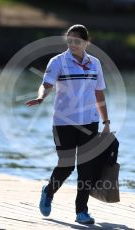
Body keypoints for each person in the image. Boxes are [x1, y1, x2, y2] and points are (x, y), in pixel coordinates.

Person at [26, 24, 110, 224]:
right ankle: (48, 191)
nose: (73, 44)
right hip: (64, 122)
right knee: (66, 166)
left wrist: (106, 120)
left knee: (86, 167)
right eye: (69, 40)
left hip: (90, 122)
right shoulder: (58, 62)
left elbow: (99, 93)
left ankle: (81, 212)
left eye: (77, 40)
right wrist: (41, 97)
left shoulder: (95, 63)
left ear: (86, 42)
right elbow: (46, 84)